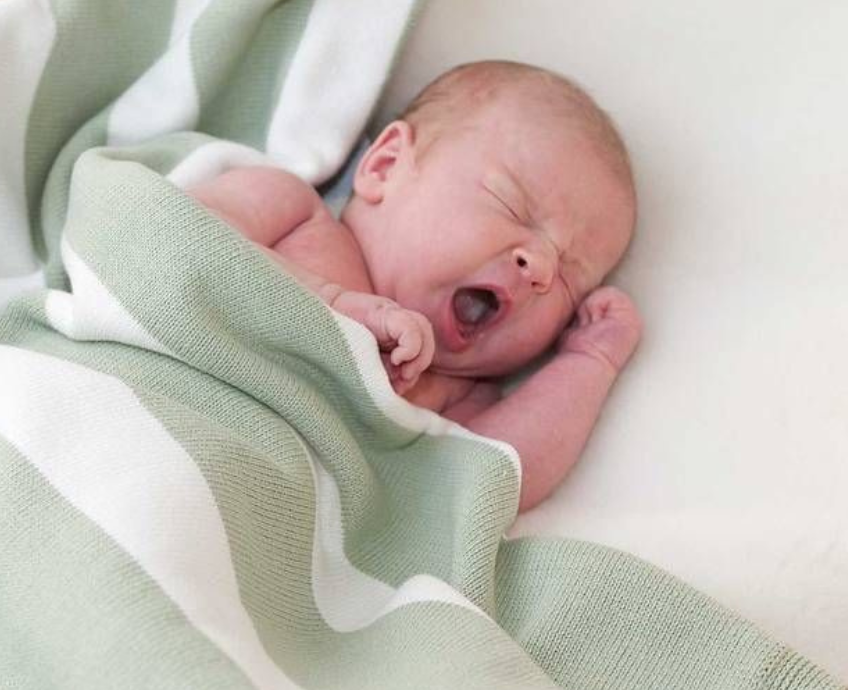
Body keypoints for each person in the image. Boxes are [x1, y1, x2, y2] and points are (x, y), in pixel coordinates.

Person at [189, 60, 641, 511]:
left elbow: (491, 482)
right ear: (385, 167)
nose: (541, 267)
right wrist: (334, 305)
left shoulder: (457, 393)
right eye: (512, 207)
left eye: (570, 276)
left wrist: (588, 363)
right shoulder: (292, 213)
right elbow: (178, 235)